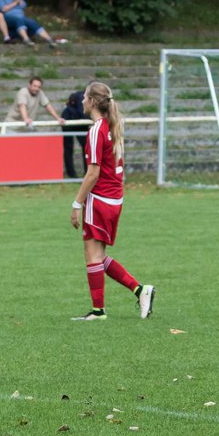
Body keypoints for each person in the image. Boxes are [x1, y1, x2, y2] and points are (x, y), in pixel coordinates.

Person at [70, 81, 156, 321]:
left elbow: (93, 173)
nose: (82, 101)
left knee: (92, 256)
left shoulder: (97, 130)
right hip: (114, 198)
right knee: (97, 256)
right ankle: (140, 290)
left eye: (86, 97)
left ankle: (99, 311)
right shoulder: (113, 125)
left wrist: (77, 204)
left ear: (94, 101)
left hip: (99, 198)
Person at [0, 0, 66, 46]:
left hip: (21, 16)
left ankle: (49, 39)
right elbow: (3, 9)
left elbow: (23, 5)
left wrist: (18, 0)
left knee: (32, 22)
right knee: (19, 20)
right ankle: (26, 40)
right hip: (8, 17)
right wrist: (15, 2)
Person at [3, 76, 67, 134]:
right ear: (29, 85)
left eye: (39, 87)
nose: (37, 89)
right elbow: (22, 106)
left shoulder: (40, 92)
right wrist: (26, 118)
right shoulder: (23, 92)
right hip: (12, 127)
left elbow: (47, 105)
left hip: (26, 127)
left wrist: (58, 118)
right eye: (35, 86)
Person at [59, 84, 92, 179]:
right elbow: (82, 112)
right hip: (69, 120)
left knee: (86, 148)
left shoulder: (87, 96)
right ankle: (72, 174)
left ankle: (85, 173)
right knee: (69, 148)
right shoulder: (82, 97)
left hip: (80, 122)